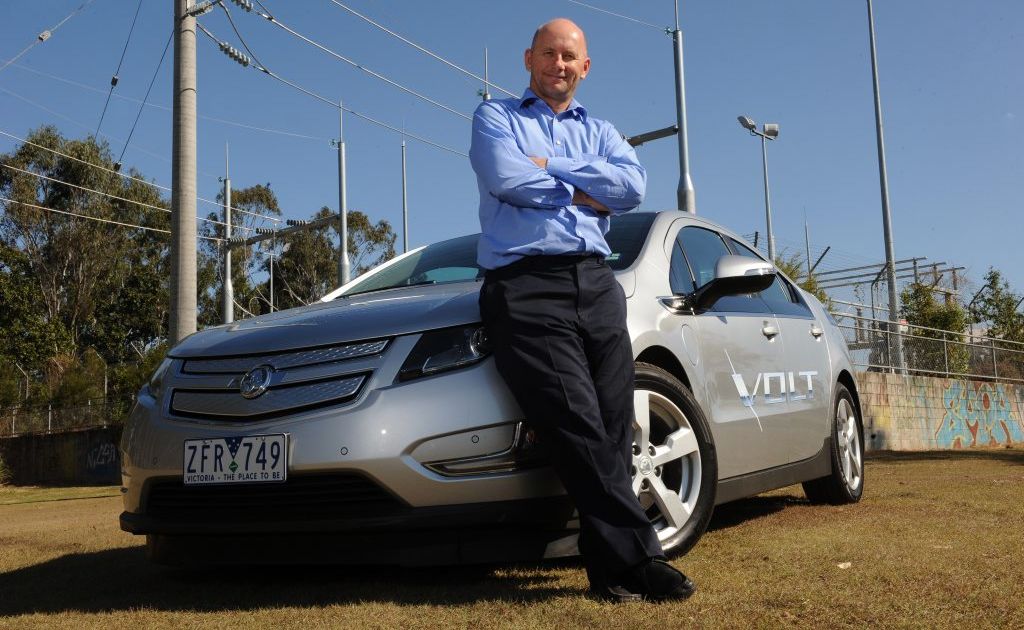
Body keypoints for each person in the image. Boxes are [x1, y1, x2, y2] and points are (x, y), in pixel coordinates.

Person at [469, 18, 696, 602]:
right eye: (549, 54)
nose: (559, 64)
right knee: (577, 424)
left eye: (570, 56)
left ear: (585, 67)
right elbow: (505, 176)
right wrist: (582, 188)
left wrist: (550, 168)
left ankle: (608, 572)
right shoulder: (496, 117)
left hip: (597, 285)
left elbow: (631, 189)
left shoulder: (603, 130)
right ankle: (645, 558)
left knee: (614, 426)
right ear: (529, 59)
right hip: (524, 287)